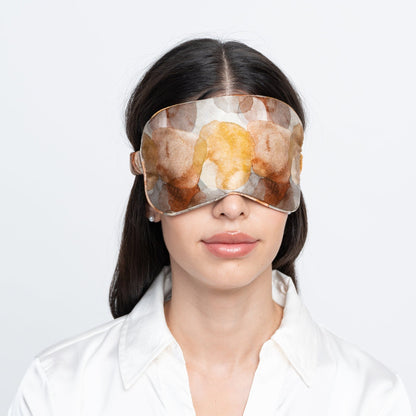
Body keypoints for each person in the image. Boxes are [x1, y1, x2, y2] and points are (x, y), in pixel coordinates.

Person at [8, 38, 413, 416]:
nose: (231, 207)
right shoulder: (59, 392)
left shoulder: (371, 399)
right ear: (150, 193)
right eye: (192, 170)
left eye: (261, 169)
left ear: (291, 176)